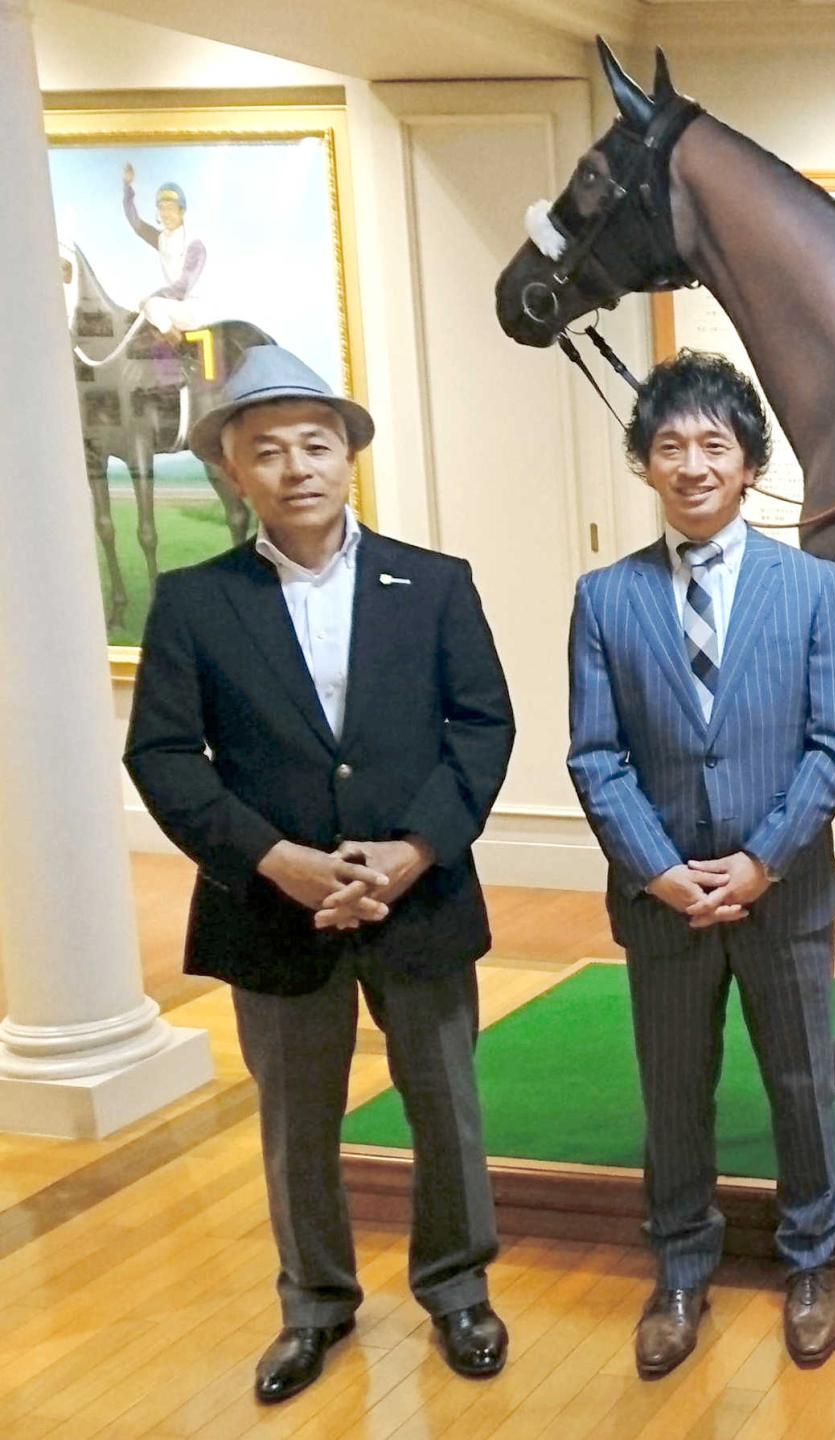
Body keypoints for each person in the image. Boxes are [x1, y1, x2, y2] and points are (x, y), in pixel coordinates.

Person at [124, 345, 516, 1404]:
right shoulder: (197, 602)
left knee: (446, 1103)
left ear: (348, 457)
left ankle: (457, 1287)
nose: (295, 466)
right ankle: (315, 1305)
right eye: (267, 450)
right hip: (271, 907)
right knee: (297, 1119)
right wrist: (273, 858)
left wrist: (417, 848)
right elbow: (160, 753)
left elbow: (481, 726)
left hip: (417, 895)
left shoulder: (432, 584)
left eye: (315, 443)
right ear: (234, 472)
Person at [566, 350, 835, 1376]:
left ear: (747, 465)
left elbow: (834, 745)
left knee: (798, 1083)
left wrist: (762, 860)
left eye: (713, 445)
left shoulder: (816, 588)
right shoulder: (606, 599)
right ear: (645, 467)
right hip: (660, 905)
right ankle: (681, 1267)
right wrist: (657, 868)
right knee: (674, 1088)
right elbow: (595, 754)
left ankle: (812, 1258)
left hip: (782, 895)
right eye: (668, 446)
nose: (691, 464)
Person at [121, 164, 206, 342]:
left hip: (194, 308)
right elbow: (136, 224)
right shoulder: (162, 238)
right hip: (175, 305)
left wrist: (154, 297)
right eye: (162, 208)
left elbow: (182, 288)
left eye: (171, 208)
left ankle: (176, 342)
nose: (166, 214)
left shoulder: (194, 245)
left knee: (151, 305)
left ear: (181, 211)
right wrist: (127, 188)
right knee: (145, 305)